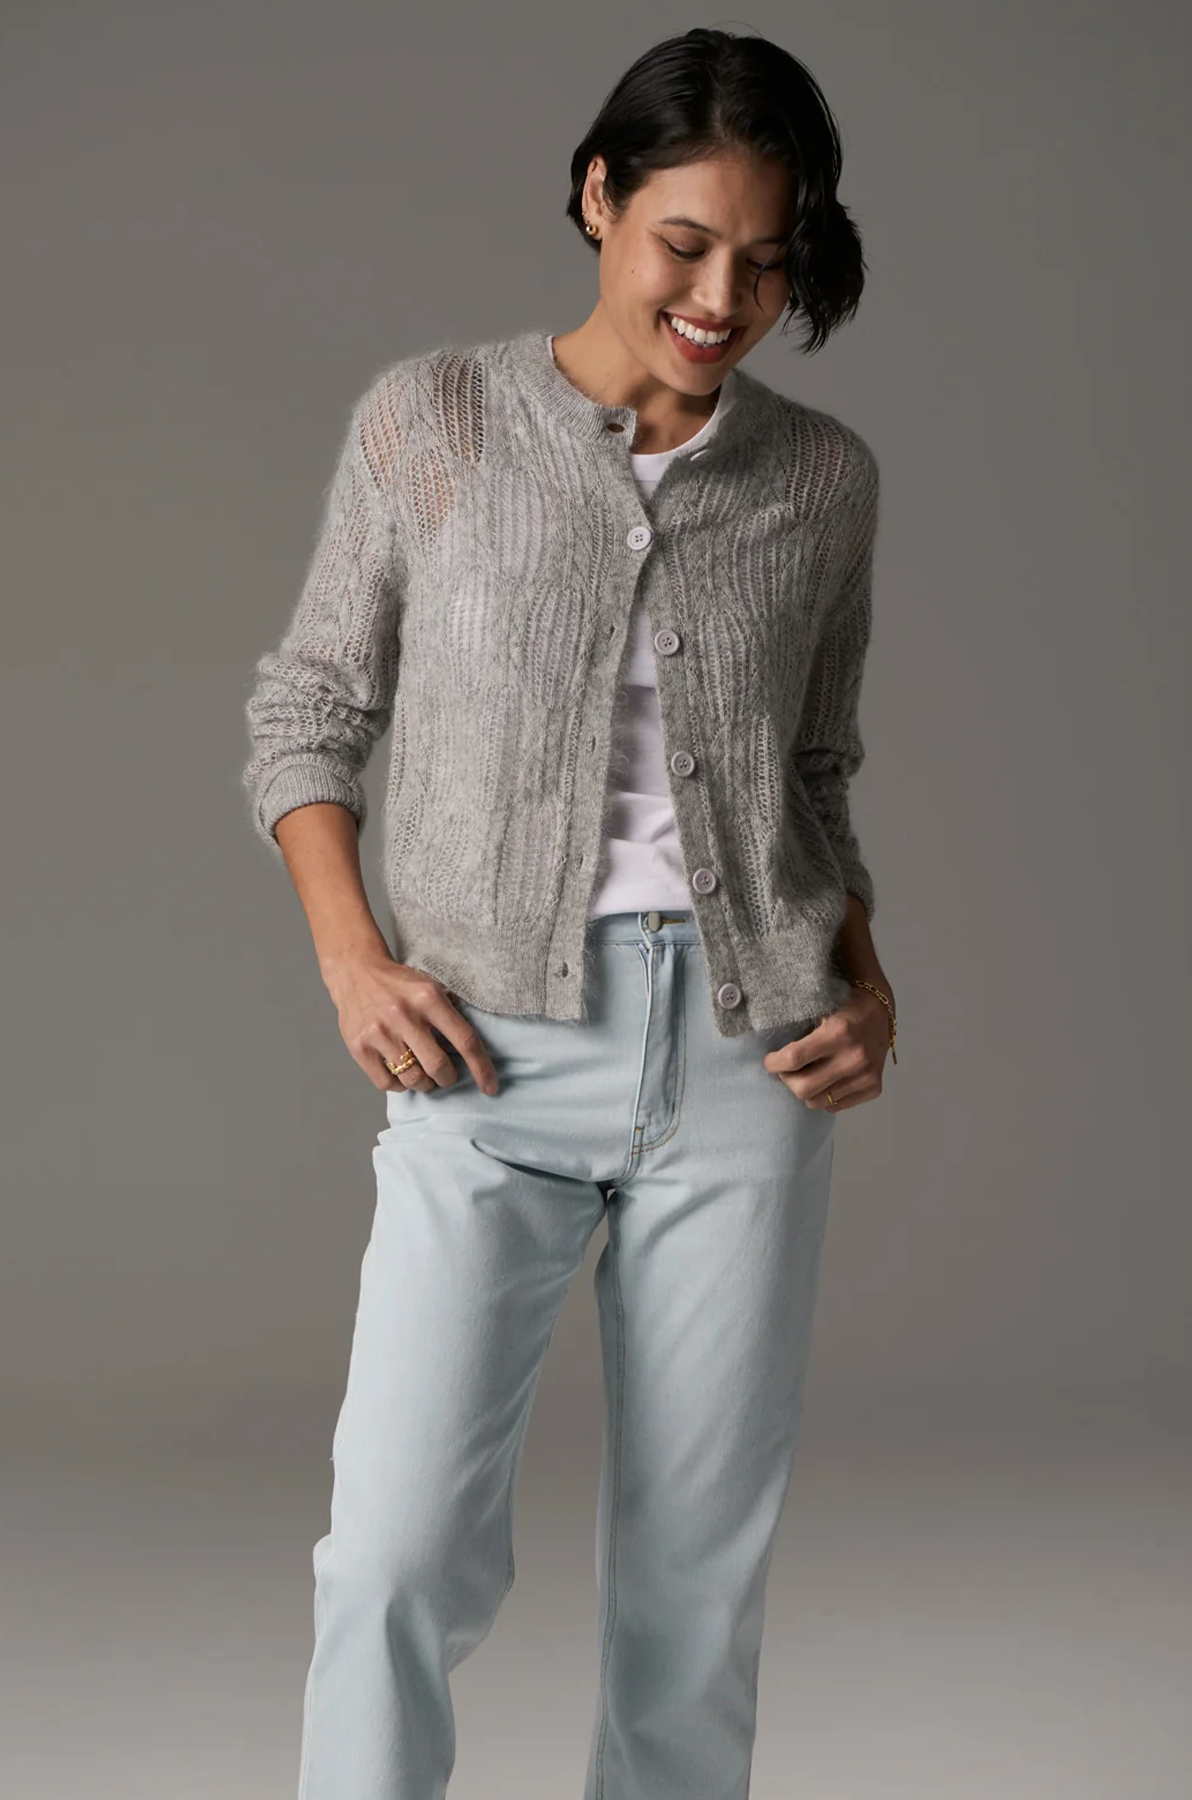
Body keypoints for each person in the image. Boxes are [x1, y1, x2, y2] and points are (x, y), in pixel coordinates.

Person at [241, 26, 897, 1800]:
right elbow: (309, 713)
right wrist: (353, 960)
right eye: (685, 242)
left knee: (695, 1595)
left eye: (766, 261)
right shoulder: (436, 419)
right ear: (598, 196)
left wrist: (866, 982)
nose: (722, 298)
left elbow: (815, 772)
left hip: (747, 1065)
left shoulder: (823, 480)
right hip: (488, 1055)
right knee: (392, 1560)